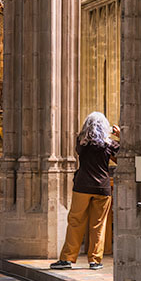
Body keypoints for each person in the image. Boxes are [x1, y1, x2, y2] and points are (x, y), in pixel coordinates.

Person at [50, 112, 119, 271]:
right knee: (98, 225)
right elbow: (122, 157)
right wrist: (120, 136)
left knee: (75, 222)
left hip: (82, 186)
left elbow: (79, 146)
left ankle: (67, 258)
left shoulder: (82, 142)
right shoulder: (109, 145)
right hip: (102, 187)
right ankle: (95, 260)